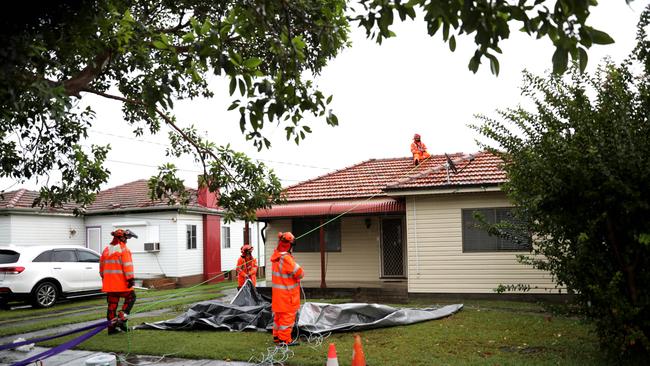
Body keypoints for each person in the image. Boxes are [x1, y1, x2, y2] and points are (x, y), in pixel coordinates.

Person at [100, 228, 137, 335]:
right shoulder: (124, 249)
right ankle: (122, 318)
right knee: (131, 297)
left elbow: (101, 269)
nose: (127, 240)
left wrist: (105, 279)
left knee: (112, 305)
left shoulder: (106, 250)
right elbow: (128, 266)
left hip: (109, 285)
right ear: (122, 238)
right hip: (122, 284)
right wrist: (130, 279)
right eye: (126, 238)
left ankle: (111, 329)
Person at [270, 232, 304, 346]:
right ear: (289, 245)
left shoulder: (277, 256)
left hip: (278, 296)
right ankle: (284, 340)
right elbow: (299, 273)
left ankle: (277, 337)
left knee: (278, 318)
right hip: (287, 296)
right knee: (287, 319)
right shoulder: (286, 258)